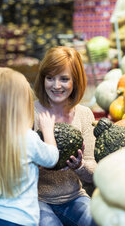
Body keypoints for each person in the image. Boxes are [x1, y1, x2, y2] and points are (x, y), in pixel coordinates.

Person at [0, 67, 59, 226]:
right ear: (20, 106)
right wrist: (48, 130)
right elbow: (51, 159)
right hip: (21, 220)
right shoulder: (27, 138)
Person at [33, 46, 97, 226]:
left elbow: (94, 172)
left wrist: (80, 166)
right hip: (37, 199)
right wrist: (40, 163)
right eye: (50, 78)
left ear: (76, 81)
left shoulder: (84, 115)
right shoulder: (31, 113)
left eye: (64, 79)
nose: (56, 85)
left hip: (75, 197)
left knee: (96, 220)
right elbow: (15, 168)